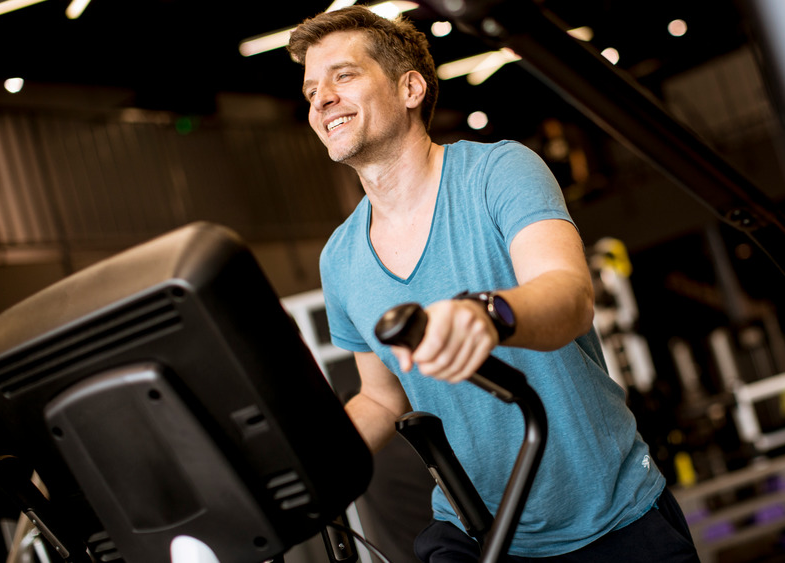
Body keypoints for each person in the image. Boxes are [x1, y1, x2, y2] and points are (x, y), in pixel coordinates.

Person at [287, 6, 699, 562]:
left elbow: (570, 296)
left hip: (612, 519)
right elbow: (381, 398)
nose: (321, 98)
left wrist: (487, 315)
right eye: (312, 88)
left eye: (343, 75)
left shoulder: (499, 172)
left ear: (410, 88)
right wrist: (294, 474)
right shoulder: (340, 258)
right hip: (479, 529)